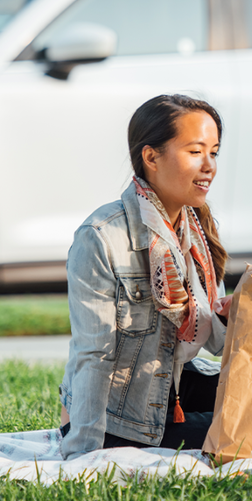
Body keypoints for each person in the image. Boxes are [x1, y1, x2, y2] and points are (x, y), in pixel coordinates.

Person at [59, 94, 231, 459]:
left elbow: (217, 342)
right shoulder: (101, 236)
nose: (209, 166)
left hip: (172, 386)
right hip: (118, 418)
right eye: (195, 151)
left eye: (213, 153)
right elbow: (94, 354)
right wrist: (83, 452)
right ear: (151, 157)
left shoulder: (195, 231)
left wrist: (234, 314)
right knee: (250, 429)